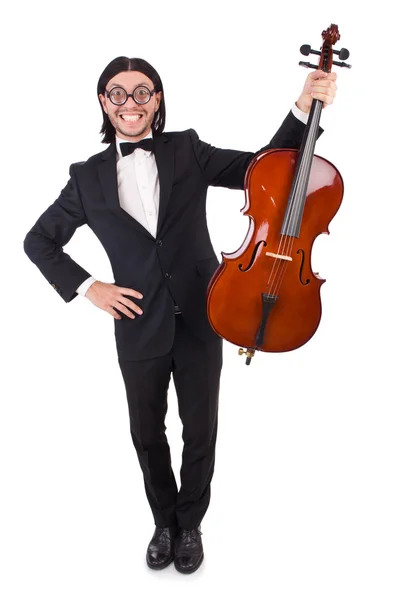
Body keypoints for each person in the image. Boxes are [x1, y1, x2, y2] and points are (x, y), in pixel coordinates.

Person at [23, 56, 337, 574]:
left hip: (202, 312)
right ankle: (162, 521)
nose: (131, 103)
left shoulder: (187, 150)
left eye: (142, 91)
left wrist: (304, 109)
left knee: (200, 428)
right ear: (104, 102)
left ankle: (190, 523)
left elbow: (263, 167)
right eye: (118, 93)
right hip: (137, 322)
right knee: (147, 431)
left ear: (158, 99)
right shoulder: (86, 177)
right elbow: (38, 241)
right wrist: (89, 287)